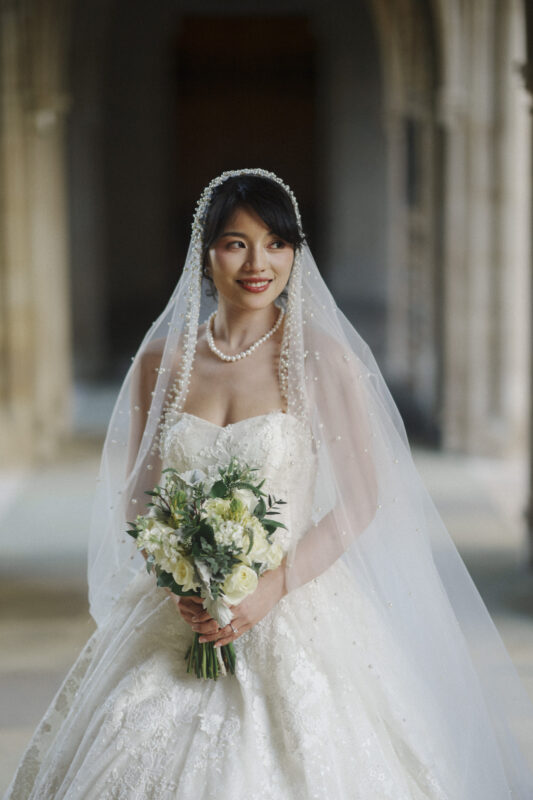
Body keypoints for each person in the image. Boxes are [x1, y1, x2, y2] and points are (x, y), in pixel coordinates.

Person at [6, 168, 533, 799]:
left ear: (295, 252)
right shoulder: (162, 365)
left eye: (277, 244)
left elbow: (361, 500)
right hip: (184, 609)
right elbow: (142, 497)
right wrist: (180, 576)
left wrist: (271, 587)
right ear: (205, 255)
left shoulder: (320, 359)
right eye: (236, 243)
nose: (259, 263)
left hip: (295, 599)